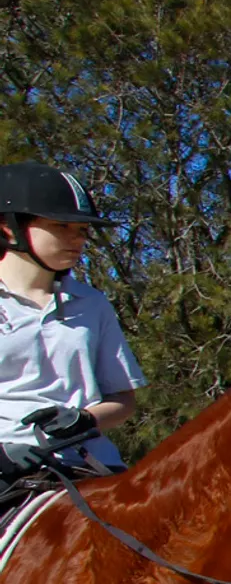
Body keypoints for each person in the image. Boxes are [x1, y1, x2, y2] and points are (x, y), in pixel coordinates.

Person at [0, 163, 145, 478]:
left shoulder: (93, 303)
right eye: (61, 226)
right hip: (7, 469)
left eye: (81, 230)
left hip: (91, 464)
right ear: (8, 227)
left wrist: (86, 419)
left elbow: (123, 399)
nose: (77, 239)